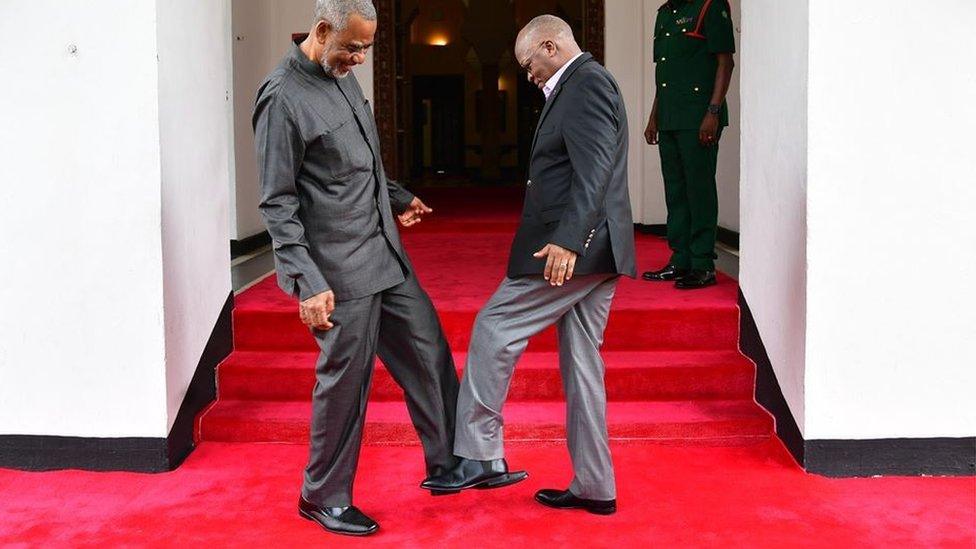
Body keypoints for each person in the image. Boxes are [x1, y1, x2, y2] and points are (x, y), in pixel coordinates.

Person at [252, 0, 459, 537]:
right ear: (322, 31)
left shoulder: (339, 72)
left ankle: (450, 463)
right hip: (336, 269)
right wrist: (306, 281)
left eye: (367, 47)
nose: (361, 58)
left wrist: (396, 196)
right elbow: (277, 202)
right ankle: (322, 495)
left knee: (428, 350)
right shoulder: (281, 98)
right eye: (353, 47)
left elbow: (357, 160)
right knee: (346, 383)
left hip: (384, 249)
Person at [422, 15, 635, 516]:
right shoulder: (577, 86)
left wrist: (569, 242)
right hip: (593, 250)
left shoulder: (587, 84)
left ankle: (479, 455)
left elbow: (596, 170)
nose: (527, 74)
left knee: (494, 326)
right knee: (582, 367)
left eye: (528, 63)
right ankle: (596, 486)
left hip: (571, 252)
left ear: (549, 44)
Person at [642, 0, 735, 289]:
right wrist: (655, 116)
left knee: (699, 190)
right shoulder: (665, 14)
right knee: (676, 191)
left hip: (699, 117)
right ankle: (680, 259)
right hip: (670, 116)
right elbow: (665, 75)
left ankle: (702, 264)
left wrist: (713, 112)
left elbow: (725, 61)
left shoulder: (710, 5)